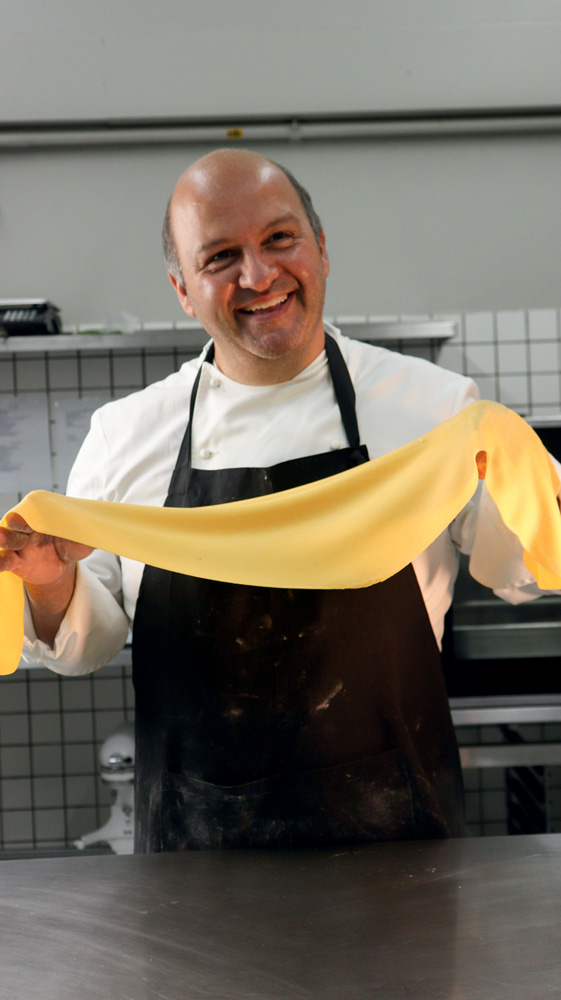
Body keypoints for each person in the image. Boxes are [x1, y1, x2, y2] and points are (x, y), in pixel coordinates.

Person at [1, 150, 557, 851]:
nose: (258, 276)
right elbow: (90, 642)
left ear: (321, 248)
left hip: (397, 847)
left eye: (278, 239)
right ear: (181, 288)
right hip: (195, 856)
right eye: (220, 257)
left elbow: (522, 575)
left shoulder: (434, 411)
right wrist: (51, 583)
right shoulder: (129, 434)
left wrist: (526, 480)